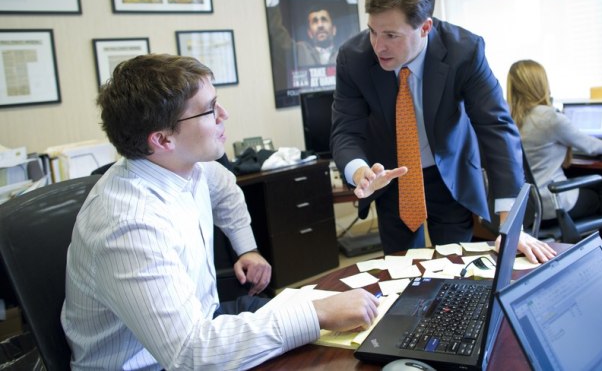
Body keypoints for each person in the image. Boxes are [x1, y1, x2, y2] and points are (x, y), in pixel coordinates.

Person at [61, 54, 378, 370]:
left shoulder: (187, 166)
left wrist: (248, 249)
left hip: (203, 323)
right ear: (162, 139)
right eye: (210, 109)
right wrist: (317, 313)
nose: (223, 114)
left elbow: (226, 188)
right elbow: (190, 354)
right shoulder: (130, 225)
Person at [330, 0, 556, 263]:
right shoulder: (353, 58)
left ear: (425, 27)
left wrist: (510, 225)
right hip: (388, 178)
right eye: (373, 31)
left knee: (454, 268)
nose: (378, 46)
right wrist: (361, 172)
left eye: (391, 35)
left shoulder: (465, 51)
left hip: (448, 173)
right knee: (400, 270)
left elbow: (496, 128)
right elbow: (345, 130)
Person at [506, 59, 602, 253]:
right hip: (550, 204)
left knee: (585, 181)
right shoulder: (548, 117)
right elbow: (591, 146)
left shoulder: (508, 119)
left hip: (521, 208)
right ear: (541, 84)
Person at [264, 0, 357, 90]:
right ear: (309, 32)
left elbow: (358, 30)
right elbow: (275, 31)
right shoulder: (299, 51)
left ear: (334, 29)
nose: (320, 25)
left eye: (324, 20)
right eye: (314, 21)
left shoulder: (344, 54)